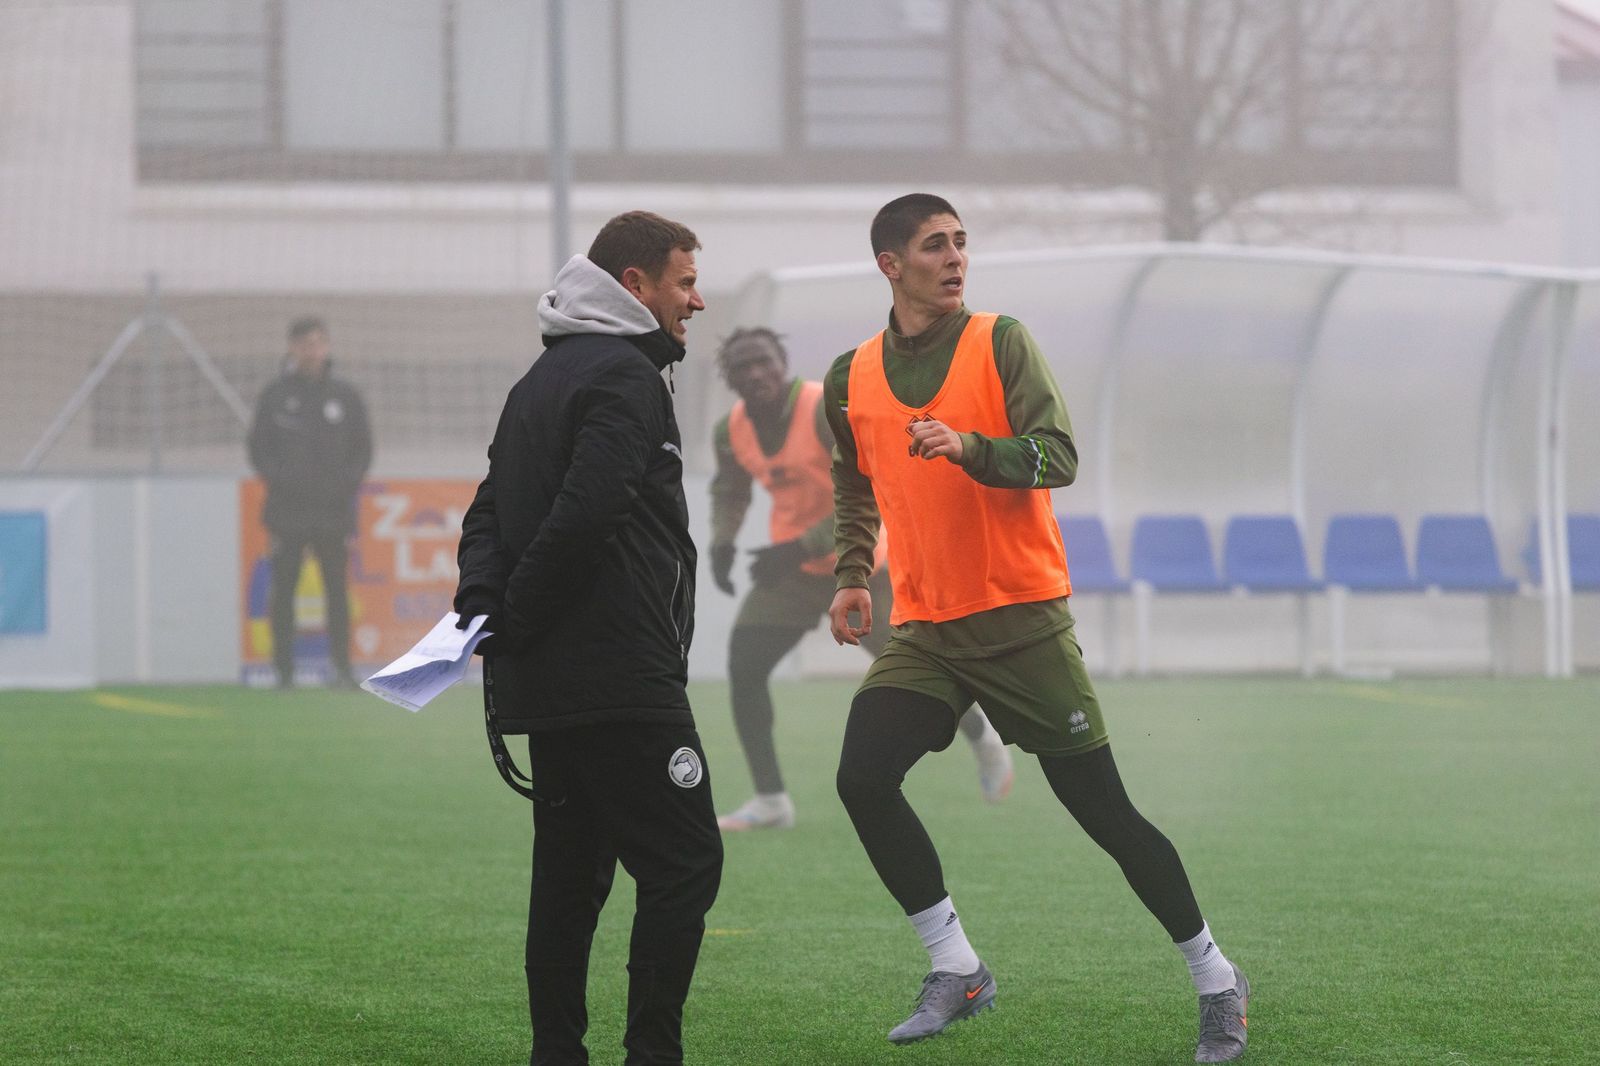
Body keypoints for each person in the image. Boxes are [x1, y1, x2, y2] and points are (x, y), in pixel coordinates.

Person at [824, 194, 1249, 1062]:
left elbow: (1057, 455)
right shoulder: (849, 376)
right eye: (935, 245)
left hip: (1021, 620)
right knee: (863, 777)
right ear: (889, 265)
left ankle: (1217, 978)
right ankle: (958, 967)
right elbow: (855, 482)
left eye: (961, 243)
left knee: (1105, 814)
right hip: (929, 630)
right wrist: (850, 576)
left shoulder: (1001, 340)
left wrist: (973, 447)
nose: (955, 258)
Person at [452, 211, 723, 1066]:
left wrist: (489, 613)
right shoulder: (624, 376)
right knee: (686, 862)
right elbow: (588, 513)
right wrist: (515, 618)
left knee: (570, 875)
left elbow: (487, 513)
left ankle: (556, 1052)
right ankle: (653, 1053)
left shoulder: (542, 379)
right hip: (620, 675)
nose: (697, 299)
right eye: (684, 281)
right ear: (634, 286)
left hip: (556, 681)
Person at [707, 327, 1014, 832]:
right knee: (745, 664)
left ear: (783, 362)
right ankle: (771, 800)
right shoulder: (731, 430)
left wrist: (797, 547)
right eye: (742, 367)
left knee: (923, 674)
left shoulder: (822, 408)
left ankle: (982, 737)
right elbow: (730, 490)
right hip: (796, 571)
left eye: (764, 361)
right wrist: (722, 542)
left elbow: (867, 489)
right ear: (730, 378)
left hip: (864, 564)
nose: (756, 373)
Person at [247, 315, 371, 689]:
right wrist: (282, 481)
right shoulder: (275, 396)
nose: (311, 350)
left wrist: (344, 485)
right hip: (287, 511)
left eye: (317, 343)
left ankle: (343, 669)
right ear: (292, 348)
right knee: (284, 590)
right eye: (303, 344)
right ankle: (283, 672)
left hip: (333, 512)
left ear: (327, 346)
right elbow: (258, 448)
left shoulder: (345, 397)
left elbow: (363, 449)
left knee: (336, 590)